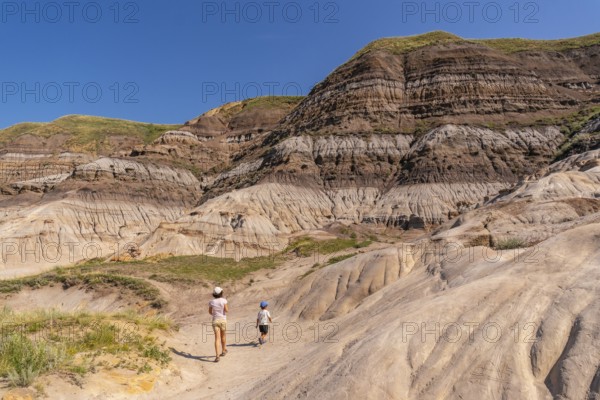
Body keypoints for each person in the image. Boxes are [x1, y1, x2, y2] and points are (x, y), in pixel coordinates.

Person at [208, 286, 228, 362]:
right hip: (223, 320)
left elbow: (210, 312)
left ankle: (217, 356)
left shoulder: (211, 302)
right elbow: (226, 310)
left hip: (215, 320)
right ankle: (223, 351)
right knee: (223, 336)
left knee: (217, 338)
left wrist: (215, 314)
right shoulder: (224, 300)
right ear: (221, 293)